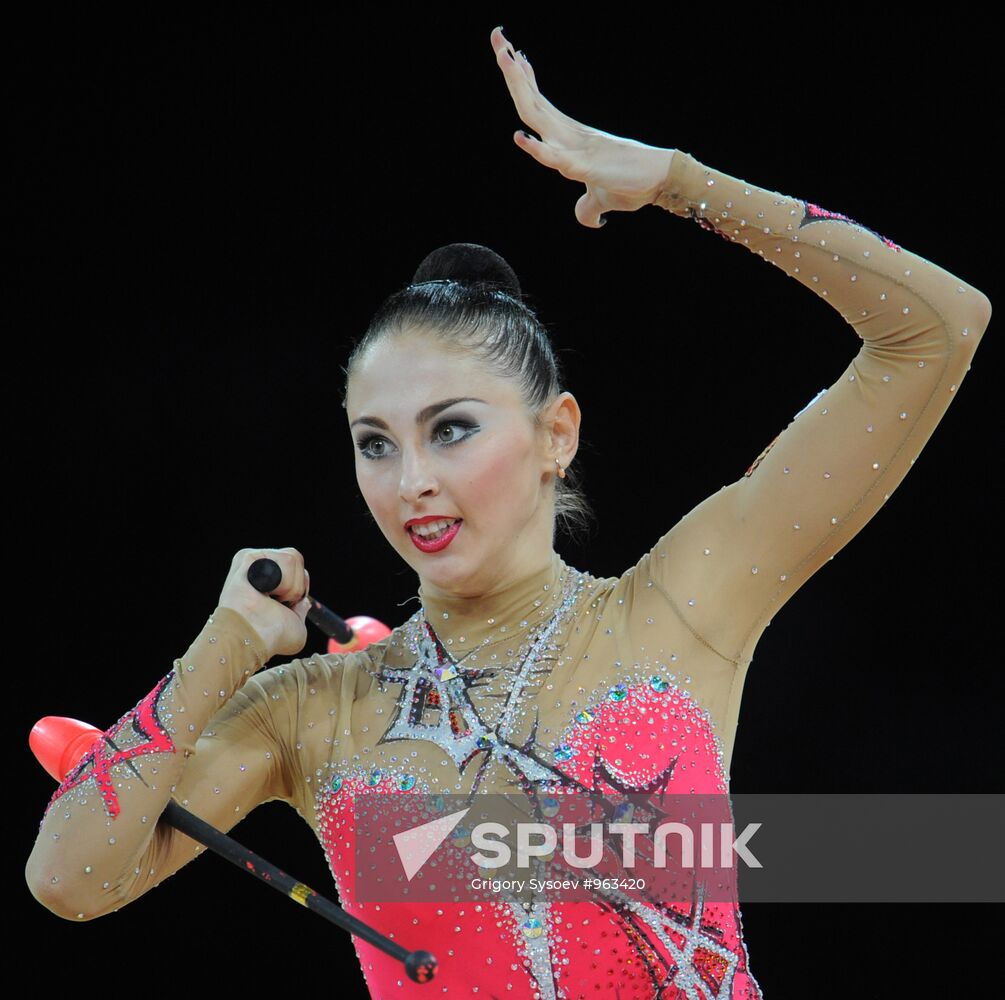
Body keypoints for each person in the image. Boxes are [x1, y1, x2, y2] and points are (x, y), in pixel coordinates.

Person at [25, 26, 991, 1000]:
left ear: (556, 434)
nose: (411, 482)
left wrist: (676, 180)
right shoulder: (315, 714)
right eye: (376, 442)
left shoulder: (679, 607)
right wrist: (225, 645)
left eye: (451, 430)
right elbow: (66, 879)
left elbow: (938, 330)